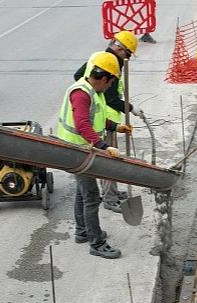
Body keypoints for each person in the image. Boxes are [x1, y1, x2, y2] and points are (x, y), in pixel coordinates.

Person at [57, 51, 132, 259]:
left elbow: (96, 119)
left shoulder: (93, 91)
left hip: (81, 149)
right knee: (91, 196)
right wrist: (103, 145)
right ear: (104, 78)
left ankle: (83, 231)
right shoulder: (81, 94)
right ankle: (96, 242)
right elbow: (82, 124)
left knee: (83, 192)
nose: (108, 88)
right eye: (109, 84)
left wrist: (117, 127)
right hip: (76, 150)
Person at [73, 30, 144, 213]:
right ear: (120, 48)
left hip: (101, 117)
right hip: (105, 118)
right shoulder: (110, 65)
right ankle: (110, 198)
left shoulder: (99, 57)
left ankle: (112, 192)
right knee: (109, 160)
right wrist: (130, 108)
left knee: (108, 159)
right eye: (127, 54)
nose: (127, 58)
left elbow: (78, 75)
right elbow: (111, 98)